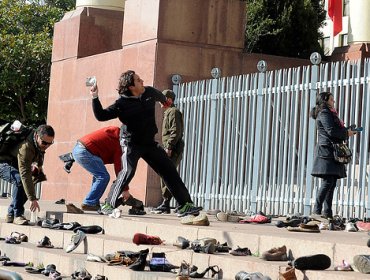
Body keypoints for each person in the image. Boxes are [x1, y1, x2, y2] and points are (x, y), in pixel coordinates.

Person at [89, 70, 202, 216]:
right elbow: (101, 116)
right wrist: (94, 96)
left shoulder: (148, 92)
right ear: (131, 86)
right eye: (137, 80)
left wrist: (164, 101)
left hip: (149, 143)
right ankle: (108, 204)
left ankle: (185, 205)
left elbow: (159, 95)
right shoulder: (121, 104)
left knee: (169, 169)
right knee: (127, 172)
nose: (142, 81)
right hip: (131, 143)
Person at [70, 126, 144, 212]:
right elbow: (119, 169)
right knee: (103, 176)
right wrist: (124, 189)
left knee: (99, 175)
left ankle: (93, 202)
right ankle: (89, 203)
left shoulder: (115, 132)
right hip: (85, 151)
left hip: (79, 149)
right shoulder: (120, 142)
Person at [310, 92, 357, 219]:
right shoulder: (324, 113)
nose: (334, 101)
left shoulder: (330, 113)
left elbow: (335, 130)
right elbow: (331, 131)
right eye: (331, 99)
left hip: (333, 151)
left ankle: (327, 212)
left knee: (332, 182)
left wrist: (348, 130)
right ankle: (317, 210)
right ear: (325, 100)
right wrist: (347, 133)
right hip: (327, 151)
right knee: (328, 182)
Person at [0, 124, 55, 225]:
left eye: (50, 143)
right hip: (3, 163)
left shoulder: (39, 146)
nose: (46, 146)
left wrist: (36, 175)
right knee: (21, 180)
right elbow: (24, 174)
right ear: (37, 136)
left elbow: (35, 170)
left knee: (32, 181)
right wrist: (32, 199)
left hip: (15, 162)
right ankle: (17, 215)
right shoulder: (26, 147)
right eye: (44, 143)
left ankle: (11, 214)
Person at [152, 89, 185, 214]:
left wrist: (169, 147)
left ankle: (174, 203)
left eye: (162, 100)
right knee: (168, 176)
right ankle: (170, 203)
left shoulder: (173, 112)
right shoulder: (169, 112)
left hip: (172, 149)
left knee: (168, 176)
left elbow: (175, 131)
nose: (160, 103)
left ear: (169, 100)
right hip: (170, 147)